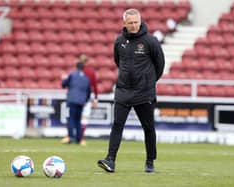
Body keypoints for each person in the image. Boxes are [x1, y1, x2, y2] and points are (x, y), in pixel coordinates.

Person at [97, 9, 165, 173]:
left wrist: (148, 82)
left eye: (136, 22)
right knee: (117, 125)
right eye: (130, 23)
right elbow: (117, 61)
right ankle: (110, 160)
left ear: (140, 21)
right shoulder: (119, 41)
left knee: (148, 128)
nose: (134, 25)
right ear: (125, 23)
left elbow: (160, 65)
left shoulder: (151, 41)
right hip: (123, 91)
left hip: (144, 93)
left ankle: (150, 162)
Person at [61, 54, 98, 146]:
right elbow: (90, 90)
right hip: (81, 102)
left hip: (72, 100)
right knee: (78, 120)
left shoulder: (72, 75)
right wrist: (86, 100)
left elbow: (64, 84)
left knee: (70, 118)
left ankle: (70, 137)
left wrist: (64, 79)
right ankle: (79, 139)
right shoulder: (86, 78)